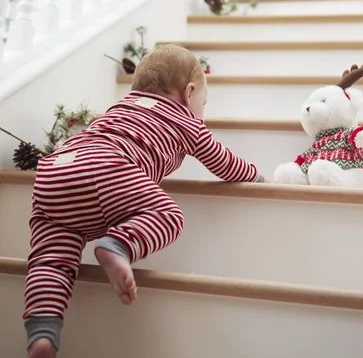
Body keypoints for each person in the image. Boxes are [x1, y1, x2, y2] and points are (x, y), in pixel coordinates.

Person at [25, 44, 265, 358]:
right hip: (106, 166)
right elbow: (224, 163)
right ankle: (118, 245)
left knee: (50, 260)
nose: (202, 113)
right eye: (203, 104)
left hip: (53, 174)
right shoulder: (184, 118)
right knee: (166, 213)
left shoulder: (119, 109)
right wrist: (258, 177)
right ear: (188, 92)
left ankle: (43, 330)